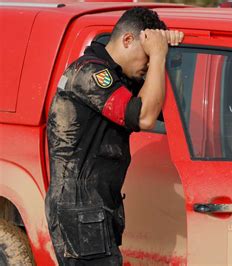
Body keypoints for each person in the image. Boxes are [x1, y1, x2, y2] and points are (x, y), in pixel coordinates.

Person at [45, 7, 184, 265]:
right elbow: (144, 116)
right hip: (80, 211)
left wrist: (166, 50)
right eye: (147, 56)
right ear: (128, 40)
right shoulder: (90, 74)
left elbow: (163, 107)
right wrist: (159, 56)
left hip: (92, 208)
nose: (149, 64)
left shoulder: (118, 77)